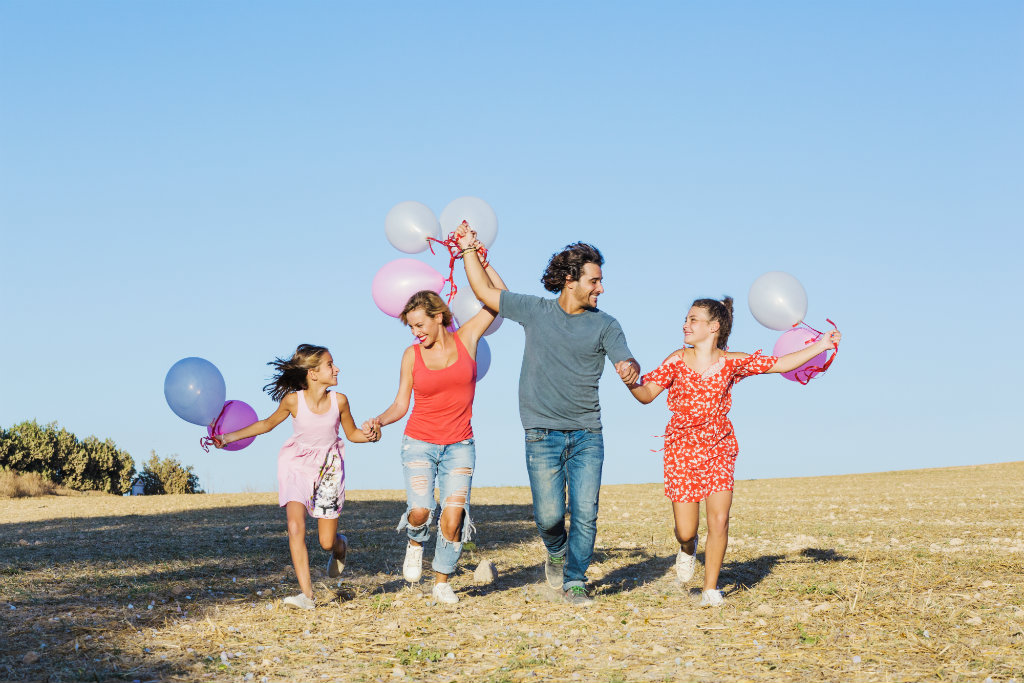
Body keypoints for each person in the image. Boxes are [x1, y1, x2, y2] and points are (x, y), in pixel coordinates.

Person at [456, 225, 640, 606]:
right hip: (541, 434)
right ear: (570, 280)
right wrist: (469, 249)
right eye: (595, 280)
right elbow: (485, 292)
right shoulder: (536, 311)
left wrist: (630, 368)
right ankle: (555, 552)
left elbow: (626, 358)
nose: (600, 288)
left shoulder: (607, 324)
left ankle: (575, 580)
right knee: (549, 516)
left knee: (585, 513)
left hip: (587, 434)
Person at [626, 297, 841, 607]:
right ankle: (687, 549)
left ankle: (710, 589)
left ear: (714, 327)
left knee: (720, 519)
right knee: (686, 530)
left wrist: (821, 345)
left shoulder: (731, 362)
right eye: (686, 319)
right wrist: (631, 381)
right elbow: (646, 395)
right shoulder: (676, 360)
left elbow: (779, 363)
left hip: (719, 447)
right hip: (681, 450)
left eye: (694, 319)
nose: (686, 324)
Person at [364, 238, 507, 605]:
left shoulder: (468, 339)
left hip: (460, 445)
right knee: (422, 510)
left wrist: (482, 260)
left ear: (439, 316)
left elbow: (502, 299)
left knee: (454, 517)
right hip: (420, 443)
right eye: (410, 327)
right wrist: (379, 420)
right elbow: (400, 404)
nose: (416, 332)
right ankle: (415, 541)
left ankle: (442, 580)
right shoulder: (411, 356)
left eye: (419, 324)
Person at [213, 344, 380, 609]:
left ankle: (340, 546)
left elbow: (353, 434)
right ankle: (307, 596)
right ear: (313, 374)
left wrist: (371, 434)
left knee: (326, 542)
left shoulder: (340, 401)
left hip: (329, 470)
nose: (337, 369)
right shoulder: (293, 401)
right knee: (295, 527)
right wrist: (227, 437)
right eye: (330, 364)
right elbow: (266, 424)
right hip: (296, 465)